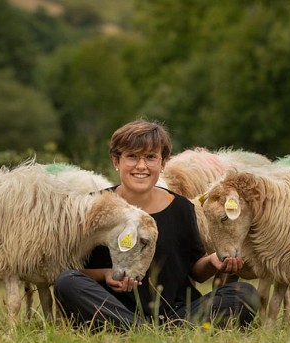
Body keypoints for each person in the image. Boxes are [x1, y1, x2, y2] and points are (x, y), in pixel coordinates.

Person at [53, 119, 260, 331]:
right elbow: (76, 268)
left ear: (162, 163)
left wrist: (215, 261)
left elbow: (195, 271)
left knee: (245, 294)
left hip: (176, 310)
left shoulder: (181, 207)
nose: (141, 166)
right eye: (132, 156)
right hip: (112, 308)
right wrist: (104, 274)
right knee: (66, 281)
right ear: (116, 161)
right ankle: (144, 329)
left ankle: (141, 330)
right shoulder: (95, 207)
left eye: (150, 157)